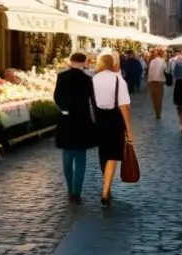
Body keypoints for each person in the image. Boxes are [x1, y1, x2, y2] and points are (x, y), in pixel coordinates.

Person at [92, 52, 135, 208]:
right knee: (113, 155)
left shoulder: (94, 79)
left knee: (103, 153)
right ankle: (105, 191)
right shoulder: (118, 79)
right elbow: (124, 106)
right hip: (114, 119)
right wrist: (129, 130)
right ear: (113, 64)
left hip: (99, 118)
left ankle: (107, 185)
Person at [54, 52, 97, 204]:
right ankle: (76, 192)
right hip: (83, 121)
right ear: (84, 62)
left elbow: (57, 97)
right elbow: (93, 101)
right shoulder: (87, 79)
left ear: (71, 61)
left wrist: (65, 109)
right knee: (80, 158)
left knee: (67, 157)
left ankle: (70, 188)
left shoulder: (62, 77)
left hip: (66, 121)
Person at [146, 49, 168, 120]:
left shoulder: (152, 61)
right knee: (159, 99)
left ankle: (157, 113)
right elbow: (166, 70)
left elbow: (150, 72)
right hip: (160, 82)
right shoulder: (162, 61)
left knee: (154, 99)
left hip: (152, 82)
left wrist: (149, 82)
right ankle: (158, 114)